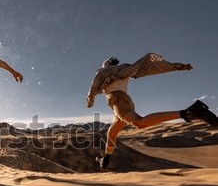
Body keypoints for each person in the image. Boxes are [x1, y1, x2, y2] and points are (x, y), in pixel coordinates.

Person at [87, 52, 218, 169]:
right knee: (112, 134)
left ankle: (188, 112)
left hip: (117, 101)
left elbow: (94, 87)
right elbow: (149, 69)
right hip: (126, 101)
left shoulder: (102, 72)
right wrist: (180, 66)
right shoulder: (124, 69)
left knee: (140, 123)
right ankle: (106, 159)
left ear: (106, 65)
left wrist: (90, 100)